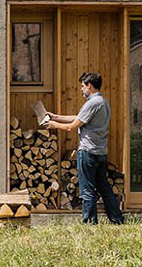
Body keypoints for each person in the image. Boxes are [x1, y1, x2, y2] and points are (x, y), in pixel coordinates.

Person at [42, 72, 125, 225]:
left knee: (87, 190)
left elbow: (72, 127)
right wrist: (55, 116)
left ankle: (89, 224)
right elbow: (79, 117)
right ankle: (117, 220)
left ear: (89, 86)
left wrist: (55, 125)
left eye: (82, 86)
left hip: (88, 152)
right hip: (100, 152)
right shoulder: (103, 102)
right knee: (104, 188)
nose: (81, 90)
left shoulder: (92, 103)